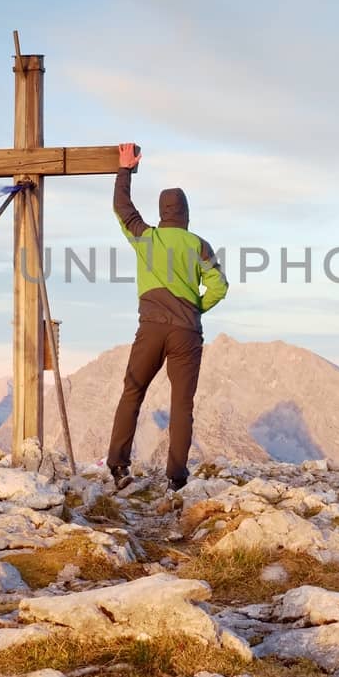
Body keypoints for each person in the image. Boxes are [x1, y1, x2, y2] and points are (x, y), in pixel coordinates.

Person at [106, 142, 228, 492]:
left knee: (133, 391)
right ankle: (176, 479)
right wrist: (195, 307)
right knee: (181, 404)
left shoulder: (147, 237)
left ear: (162, 213)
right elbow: (219, 287)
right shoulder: (199, 245)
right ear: (186, 214)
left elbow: (122, 208)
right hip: (187, 334)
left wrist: (124, 169)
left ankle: (118, 467)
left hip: (151, 329)